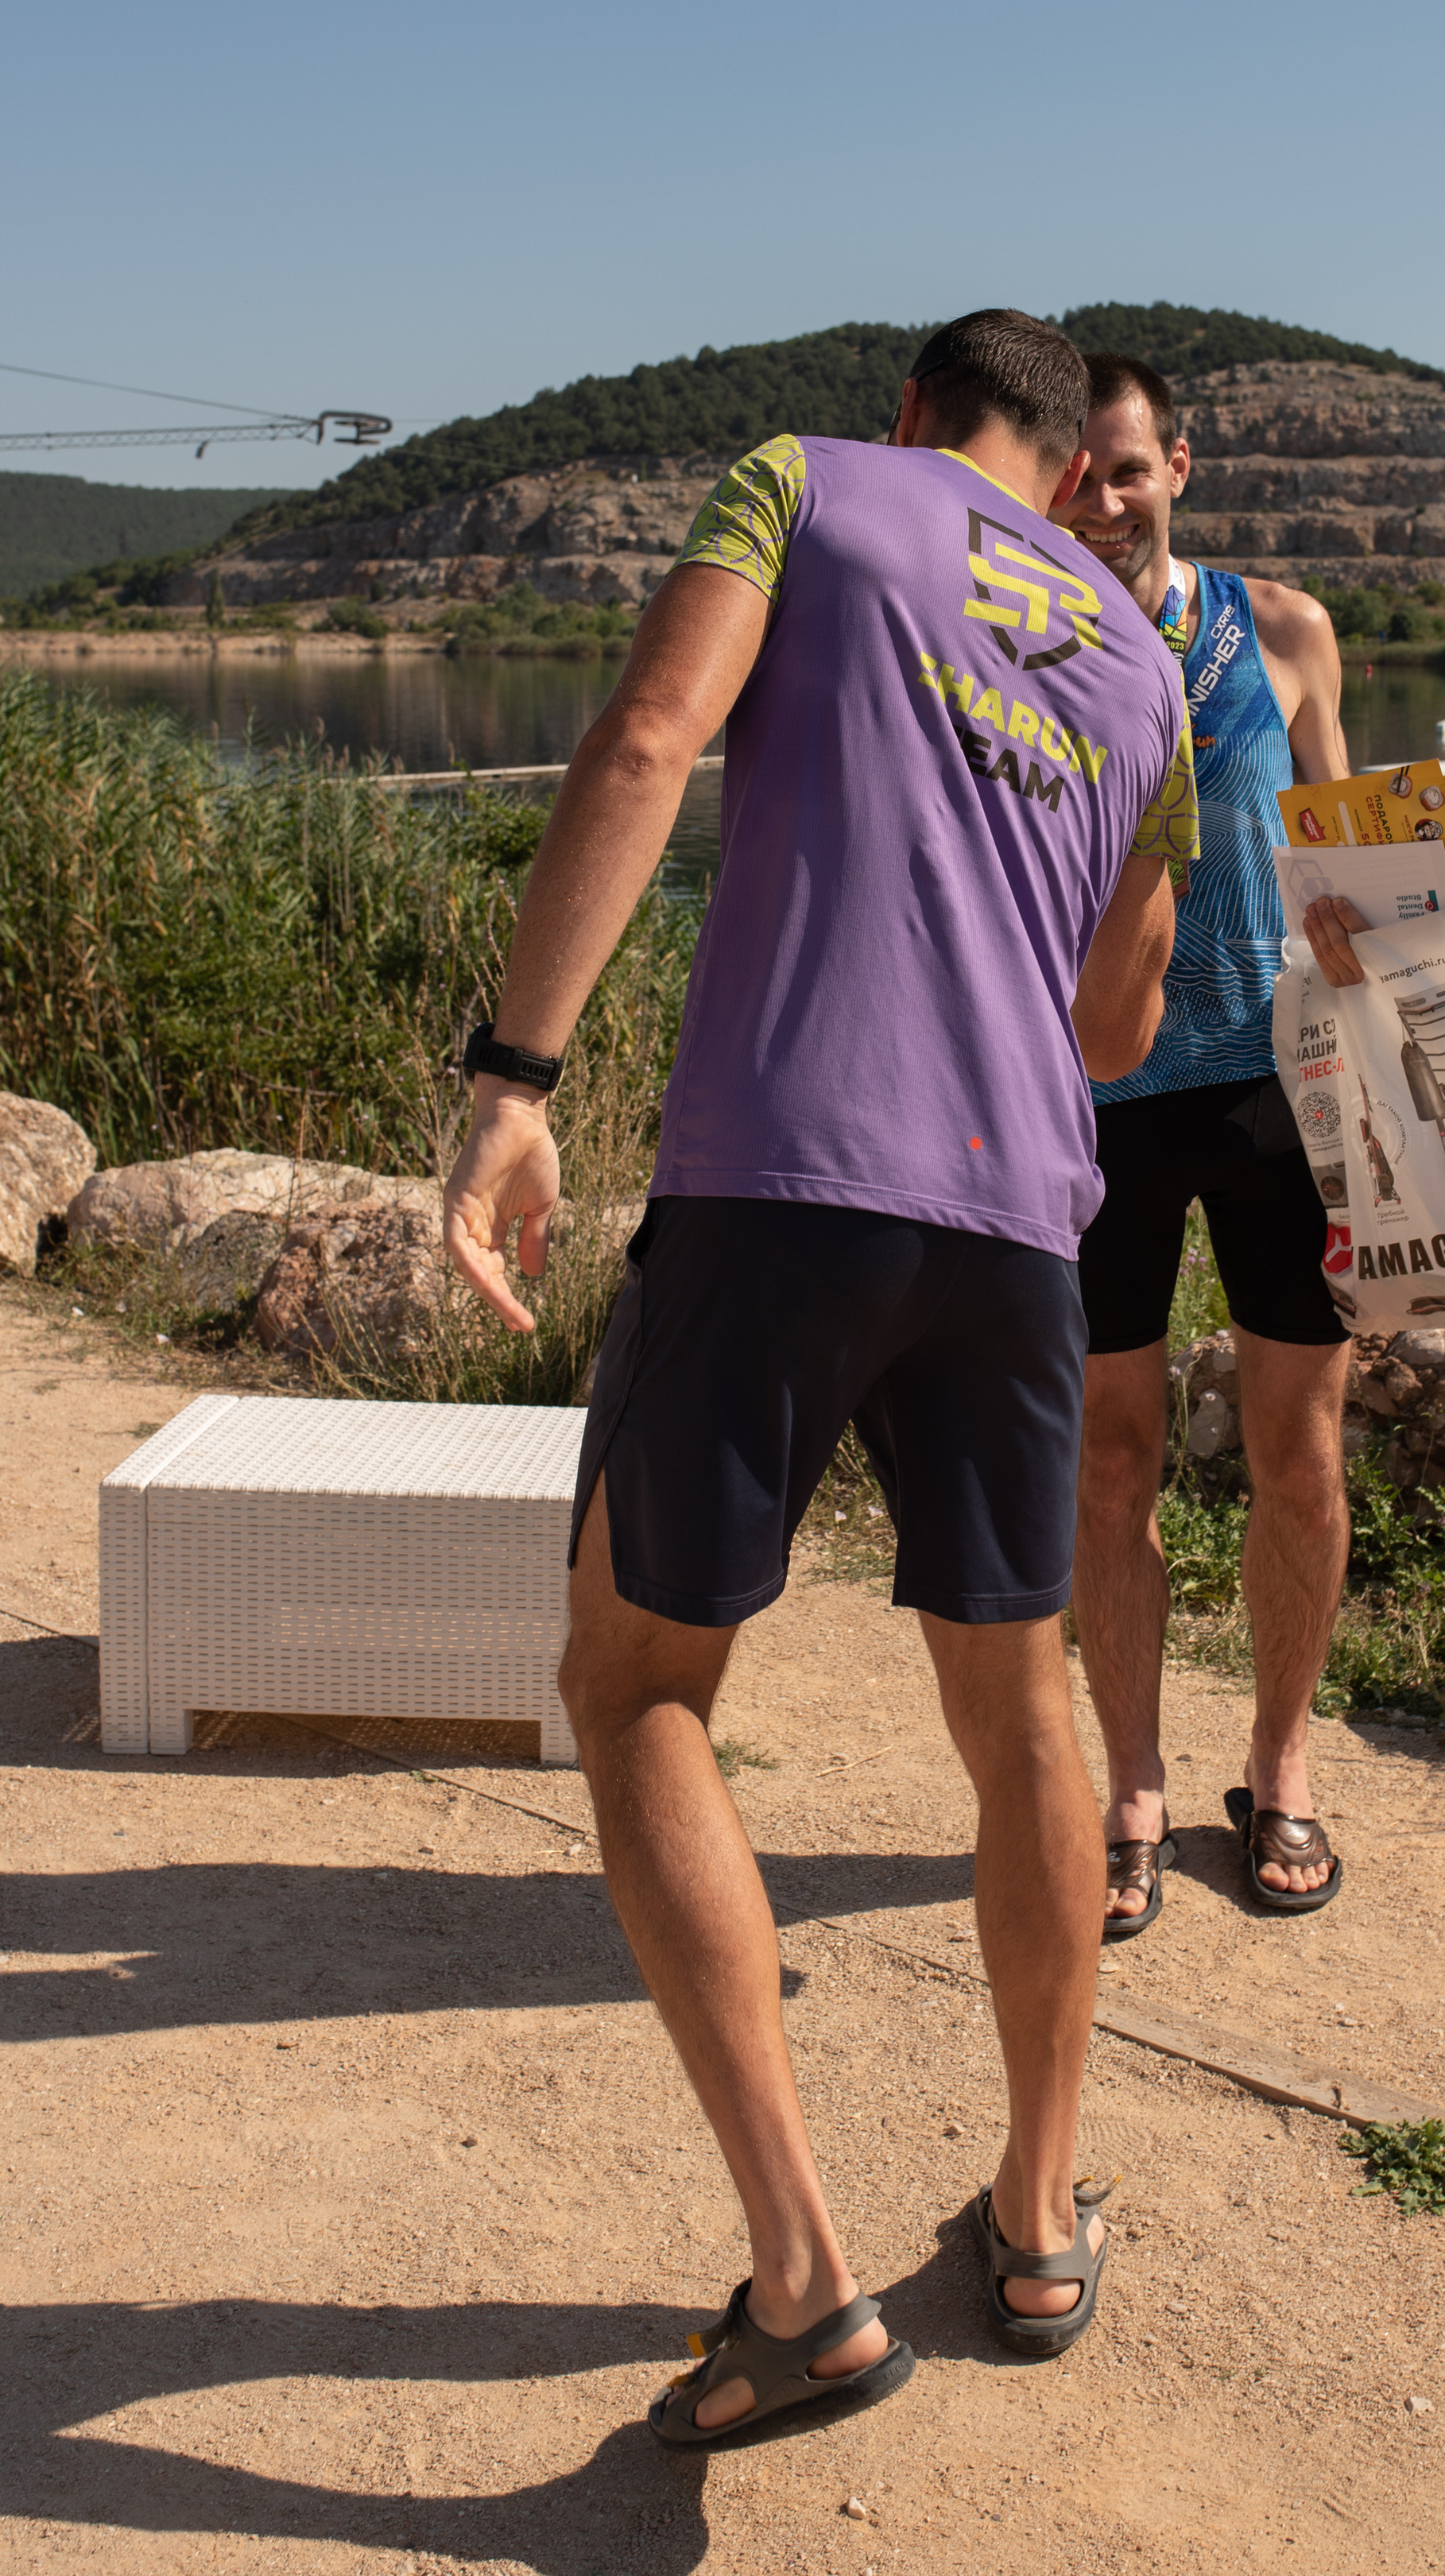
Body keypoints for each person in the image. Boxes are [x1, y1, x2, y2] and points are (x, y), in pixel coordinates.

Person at [442, 311, 1196, 2446]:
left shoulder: (809, 485)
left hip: (785, 1175)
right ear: (1070, 467)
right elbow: (1123, 1022)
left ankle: (802, 2278)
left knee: (640, 1687)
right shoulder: (1143, 663)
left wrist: (514, 1079)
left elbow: (646, 737)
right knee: (1021, 1696)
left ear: (915, 420)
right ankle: (1040, 2216)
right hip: (1021, 1217)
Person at [1052, 352, 1354, 1937]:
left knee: (1297, 1469)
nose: (1096, 502)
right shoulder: (1013, 650)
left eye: (1122, 471)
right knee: (1110, 1470)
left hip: (1278, 1103)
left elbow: (1357, 876)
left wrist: (1422, 1110)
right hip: (1090, 1110)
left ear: (1177, 465)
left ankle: (1282, 1765)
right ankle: (1131, 1782)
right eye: (1071, 477)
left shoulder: (1284, 632)